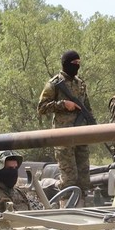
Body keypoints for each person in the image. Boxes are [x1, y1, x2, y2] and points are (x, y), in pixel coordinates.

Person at [38, 50, 93, 195]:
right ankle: (63, 204)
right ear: (66, 64)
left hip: (81, 134)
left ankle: (84, 207)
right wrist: (63, 104)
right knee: (69, 179)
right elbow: (41, 108)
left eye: (79, 63)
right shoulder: (54, 84)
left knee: (84, 178)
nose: (77, 66)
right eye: (74, 63)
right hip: (64, 136)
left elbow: (87, 107)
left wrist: (91, 123)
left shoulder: (80, 83)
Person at [0, 152, 43, 217]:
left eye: (15, 168)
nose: (13, 172)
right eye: (10, 168)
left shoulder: (20, 193)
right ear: (0, 171)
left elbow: (33, 215)